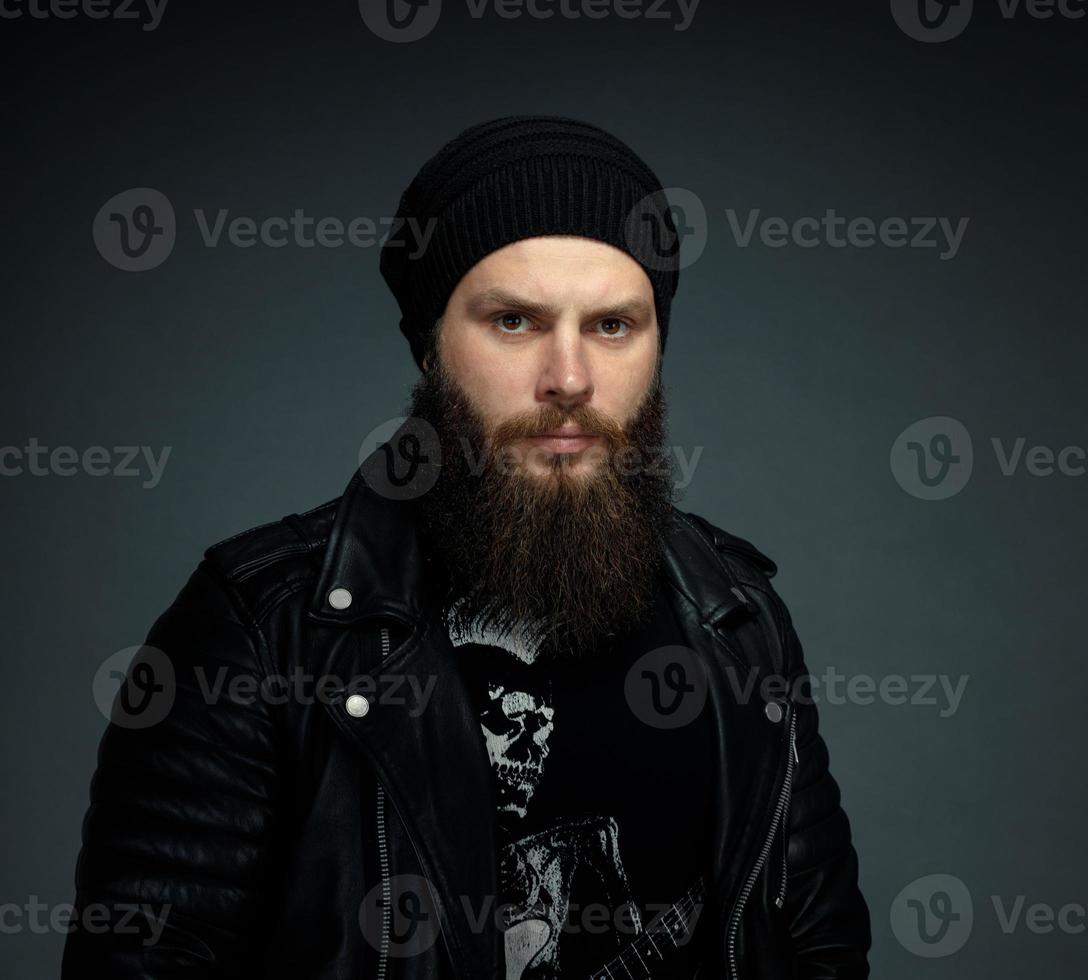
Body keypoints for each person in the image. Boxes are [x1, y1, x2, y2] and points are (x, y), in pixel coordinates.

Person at [62, 115, 871, 979]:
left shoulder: (735, 616)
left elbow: (819, 949)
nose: (568, 378)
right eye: (515, 321)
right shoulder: (260, 631)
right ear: (432, 348)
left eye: (612, 326)